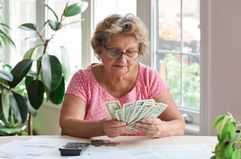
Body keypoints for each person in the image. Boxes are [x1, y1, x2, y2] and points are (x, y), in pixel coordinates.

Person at [59, 13, 185, 138]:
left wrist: (160, 129)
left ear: (139, 51)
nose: (122, 60)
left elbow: (179, 125)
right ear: (99, 50)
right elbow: (67, 124)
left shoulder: (149, 77)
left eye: (130, 52)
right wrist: (102, 127)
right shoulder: (83, 79)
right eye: (114, 51)